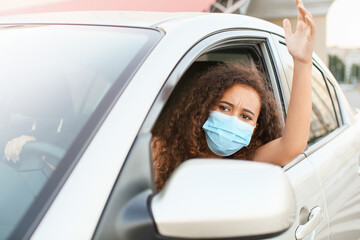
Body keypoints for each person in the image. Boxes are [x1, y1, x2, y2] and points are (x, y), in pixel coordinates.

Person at [152, 0, 315, 191]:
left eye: (245, 116)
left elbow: (291, 146)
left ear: (254, 129)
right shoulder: (160, 149)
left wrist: (302, 62)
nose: (232, 120)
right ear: (204, 109)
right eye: (224, 108)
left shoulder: (246, 160)